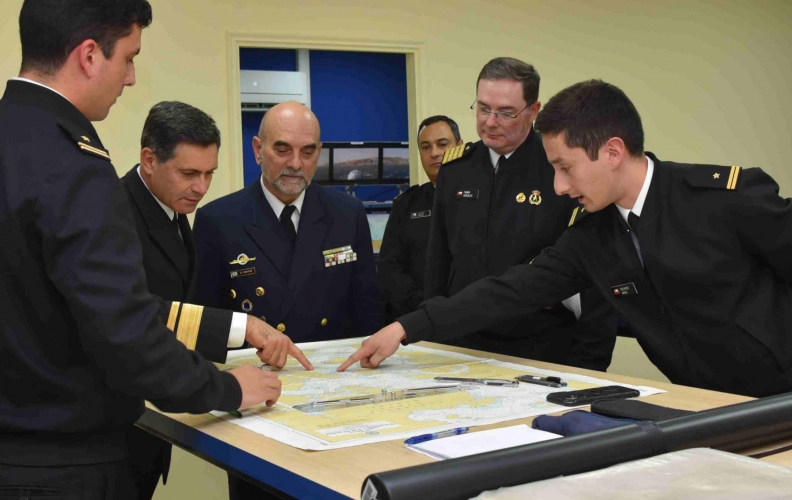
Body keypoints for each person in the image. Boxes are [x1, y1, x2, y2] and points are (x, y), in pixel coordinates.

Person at [0, 2, 308, 497]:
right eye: (128, 57)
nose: (131, 78)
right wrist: (228, 390)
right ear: (88, 55)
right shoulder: (74, 163)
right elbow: (122, 327)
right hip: (62, 462)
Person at [339, 79, 792, 399]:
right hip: (703, 405)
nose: (558, 187)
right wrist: (406, 327)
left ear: (612, 152)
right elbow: (508, 290)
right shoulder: (593, 235)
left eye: (565, 168)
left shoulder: (721, 200)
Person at [194, 101, 382, 498]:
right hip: (258, 402)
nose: (296, 163)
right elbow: (204, 324)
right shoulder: (218, 220)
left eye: (308, 151)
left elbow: (367, 313)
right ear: (258, 149)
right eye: (282, 149)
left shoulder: (347, 213)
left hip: (336, 403)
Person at [121, 101, 284, 499]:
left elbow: (180, 306)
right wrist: (239, 334)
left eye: (209, 173)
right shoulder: (116, 213)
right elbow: (140, 316)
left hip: (143, 427)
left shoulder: (171, 210)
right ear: (149, 159)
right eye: (189, 173)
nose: (202, 187)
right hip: (110, 433)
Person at [421, 57, 615, 369]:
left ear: (533, 112)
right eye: (483, 108)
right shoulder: (456, 168)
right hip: (462, 344)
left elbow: (593, 271)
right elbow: (438, 262)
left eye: (506, 113)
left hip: (540, 347)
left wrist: (590, 362)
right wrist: (429, 336)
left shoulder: (558, 167)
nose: (490, 122)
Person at [377, 115, 463, 323]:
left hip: (470, 318)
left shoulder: (482, 197)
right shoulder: (406, 204)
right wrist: (424, 310)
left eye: (442, 144)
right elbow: (390, 268)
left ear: (460, 146)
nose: (434, 153)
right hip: (417, 320)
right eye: (425, 147)